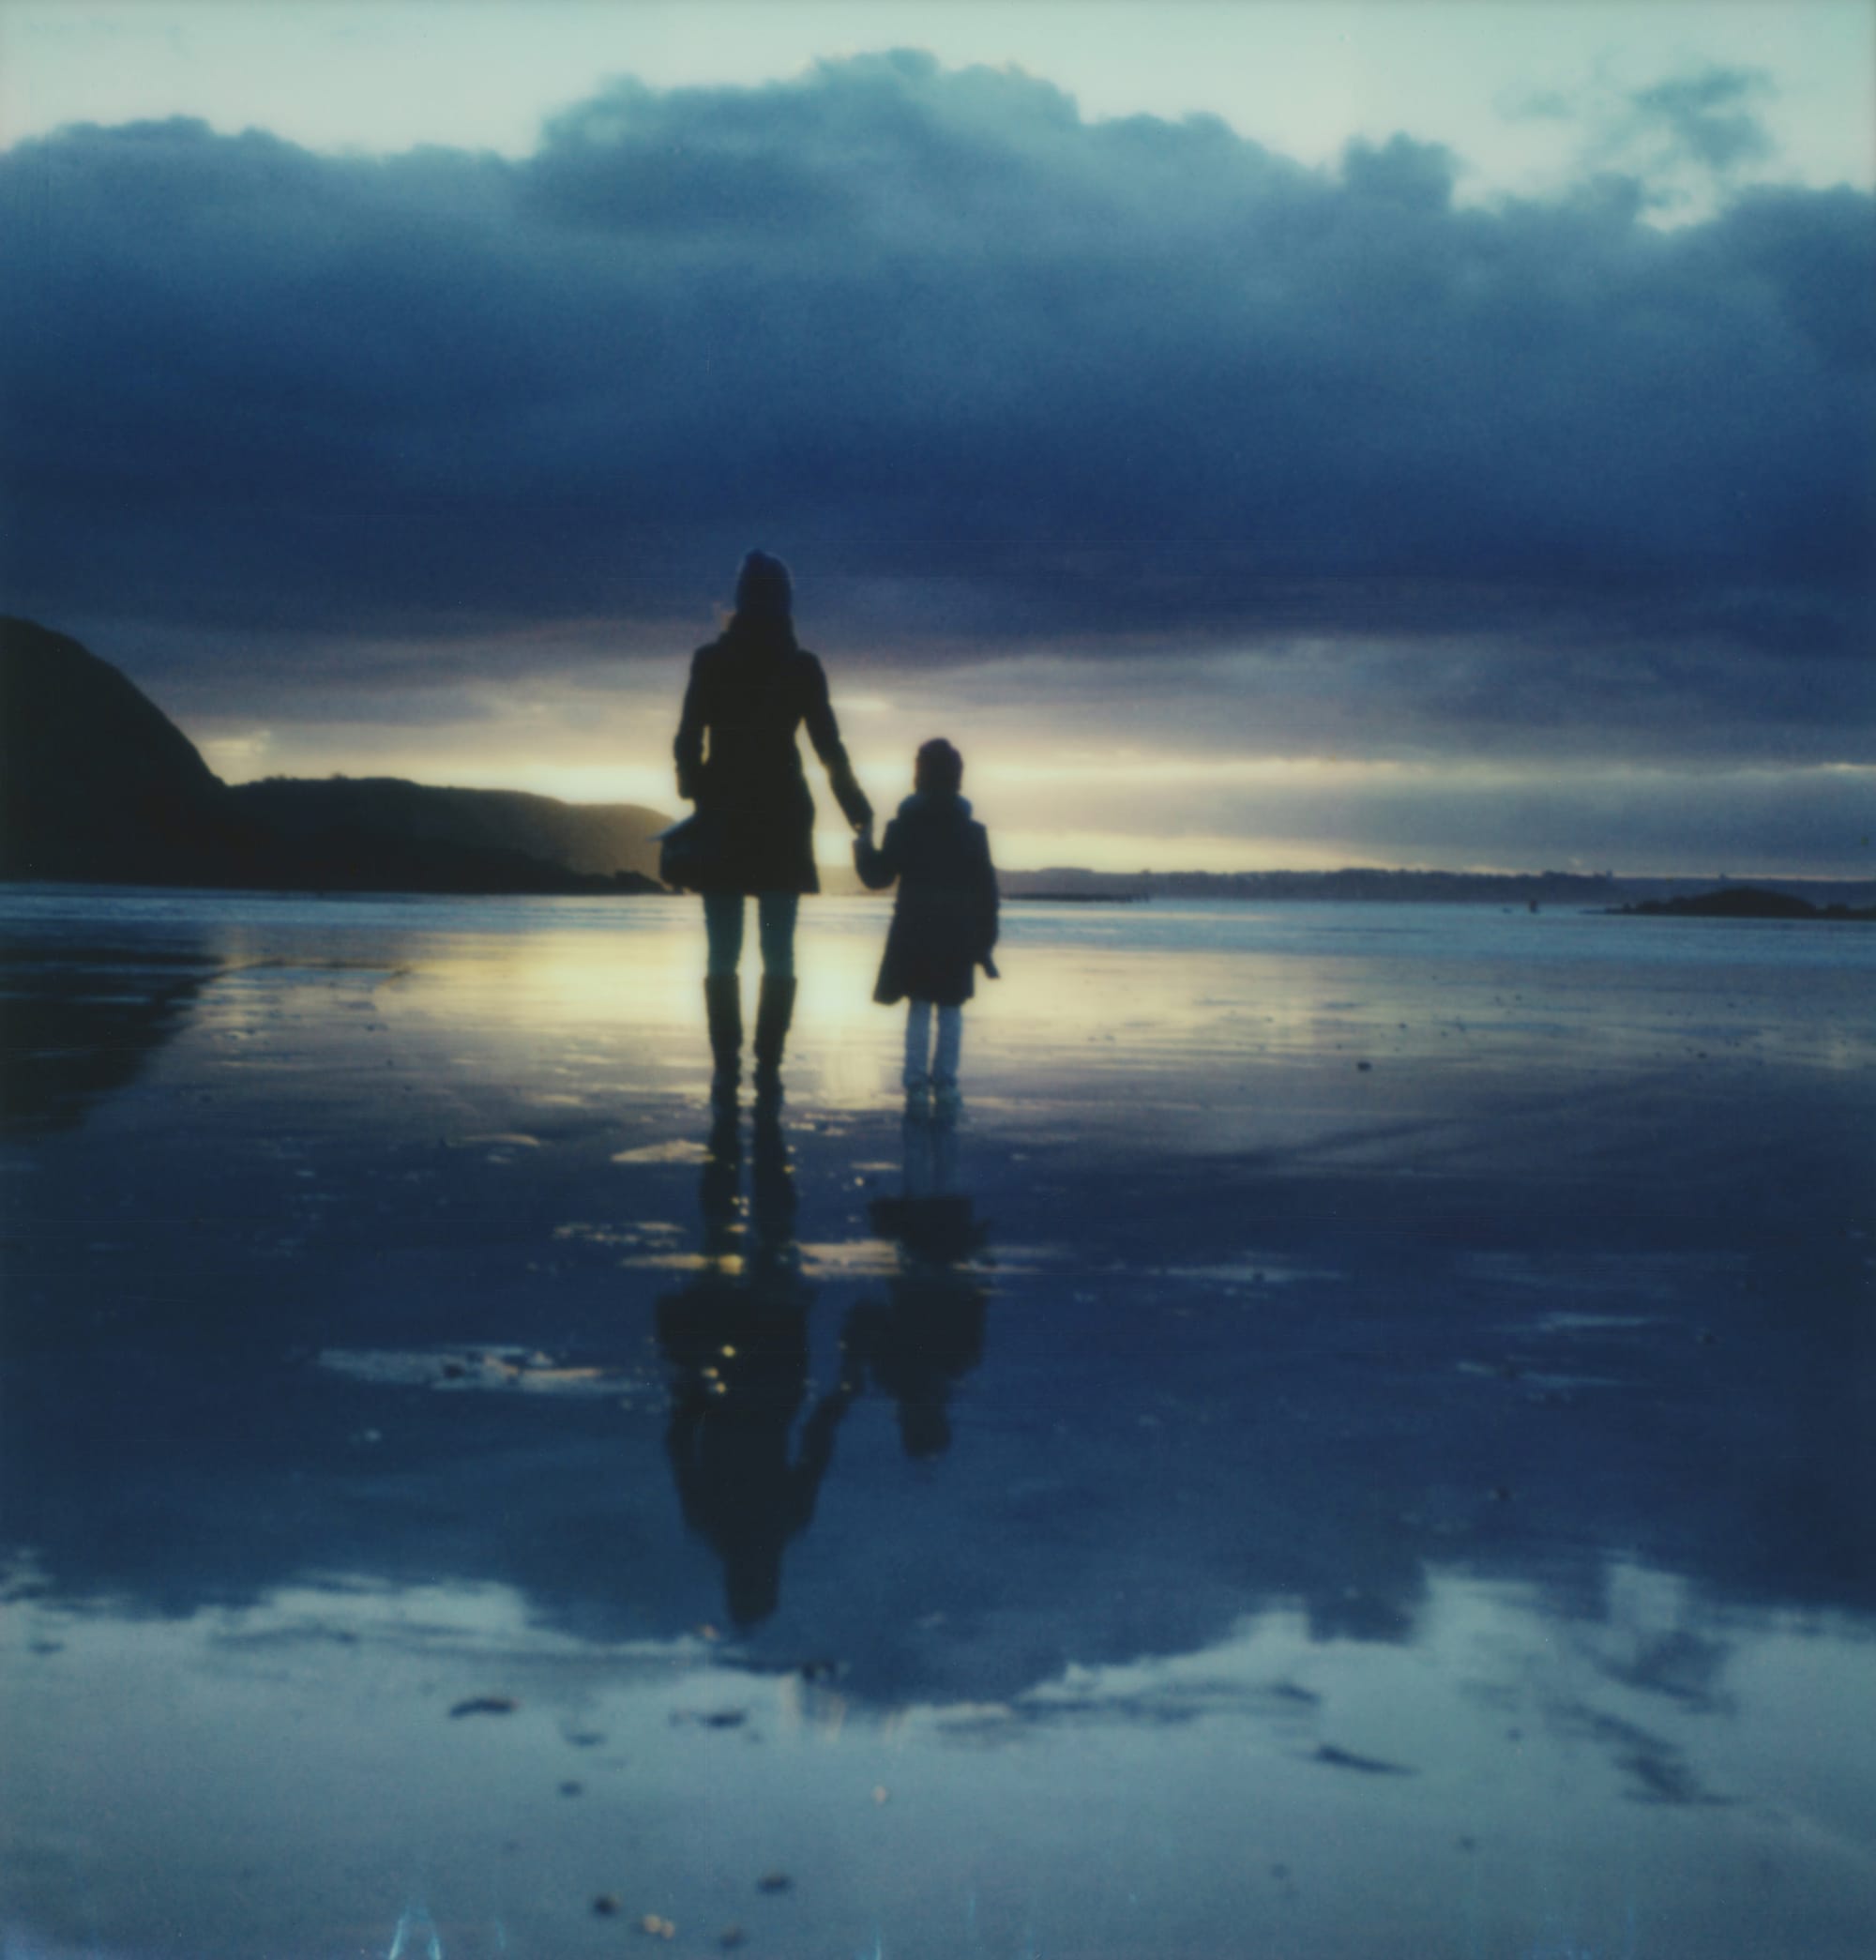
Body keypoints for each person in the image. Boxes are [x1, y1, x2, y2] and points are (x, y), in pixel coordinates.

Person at [673, 551, 872, 1107]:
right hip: (784, 814)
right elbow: (829, 749)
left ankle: (725, 1063)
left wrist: (693, 786)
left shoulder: (709, 661)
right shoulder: (802, 666)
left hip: (724, 812)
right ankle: (769, 1063)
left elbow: (688, 735)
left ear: (740, 599)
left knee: (722, 950)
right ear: (785, 602)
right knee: (779, 948)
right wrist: (858, 811)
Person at [854, 737, 999, 1118]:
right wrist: (985, 940)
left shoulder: (903, 827)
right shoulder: (973, 832)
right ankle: (946, 1084)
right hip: (957, 934)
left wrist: (863, 845)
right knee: (950, 1009)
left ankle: (916, 1085)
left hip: (914, 931)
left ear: (919, 776)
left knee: (919, 1007)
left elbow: (878, 876)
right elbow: (987, 891)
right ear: (957, 779)